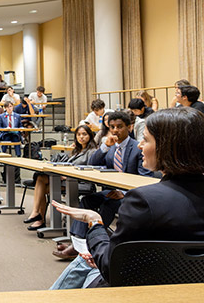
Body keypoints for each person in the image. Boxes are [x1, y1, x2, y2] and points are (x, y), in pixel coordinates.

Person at [51, 107, 204, 289]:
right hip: (191, 285)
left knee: (84, 261)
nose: (140, 146)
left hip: (142, 288)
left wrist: (95, 223)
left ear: (167, 147)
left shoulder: (143, 200)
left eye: (145, 140)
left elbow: (111, 268)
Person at [54, 111, 156, 260]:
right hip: (111, 191)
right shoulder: (111, 148)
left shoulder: (137, 148)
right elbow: (92, 164)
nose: (115, 130)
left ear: (129, 127)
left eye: (119, 127)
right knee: (87, 200)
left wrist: (124, 193)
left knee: (109, 203)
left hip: (131, 195)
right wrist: (104, 147)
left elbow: (146, 179)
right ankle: (77, 243)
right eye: (112, 127)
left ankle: (83, 245)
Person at [26, 125, 97, 231]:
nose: (81, 137)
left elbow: (90, 170)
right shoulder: (76, 150)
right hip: (67, 180)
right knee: (41, 179)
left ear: (90, 136)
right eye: (78, 134)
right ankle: (37, 216)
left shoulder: (92, 151)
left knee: (41, 187)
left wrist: (67, 175)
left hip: (81, 182)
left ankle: (38, 217)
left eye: (84, 134)